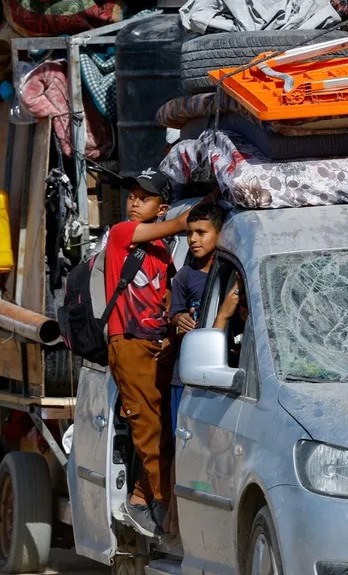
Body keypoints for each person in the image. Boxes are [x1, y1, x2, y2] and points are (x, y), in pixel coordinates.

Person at [105, 167, 218, 536]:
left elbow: (170, 302)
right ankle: (162, 508)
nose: (134, 203)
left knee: (166, 431)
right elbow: (179, 225)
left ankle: (143, 497)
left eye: (144, 197)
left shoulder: (163, 256)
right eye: (132, 196)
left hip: (160, 347)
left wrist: (178, 323)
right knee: (149, 429)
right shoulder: (123, 234)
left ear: (161, 205)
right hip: (130, 345)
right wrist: (206, 204)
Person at [164, 203, 227, 535]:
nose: (193, 239)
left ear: (220, 233)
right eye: (189, 233)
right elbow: (173, 314)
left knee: (217, 447)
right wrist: (179, 319)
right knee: (185, 446)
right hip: (185, 374)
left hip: (220, 373)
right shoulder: (185, 277)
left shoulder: (230, 272)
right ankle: (175, 518)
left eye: (201, 232)